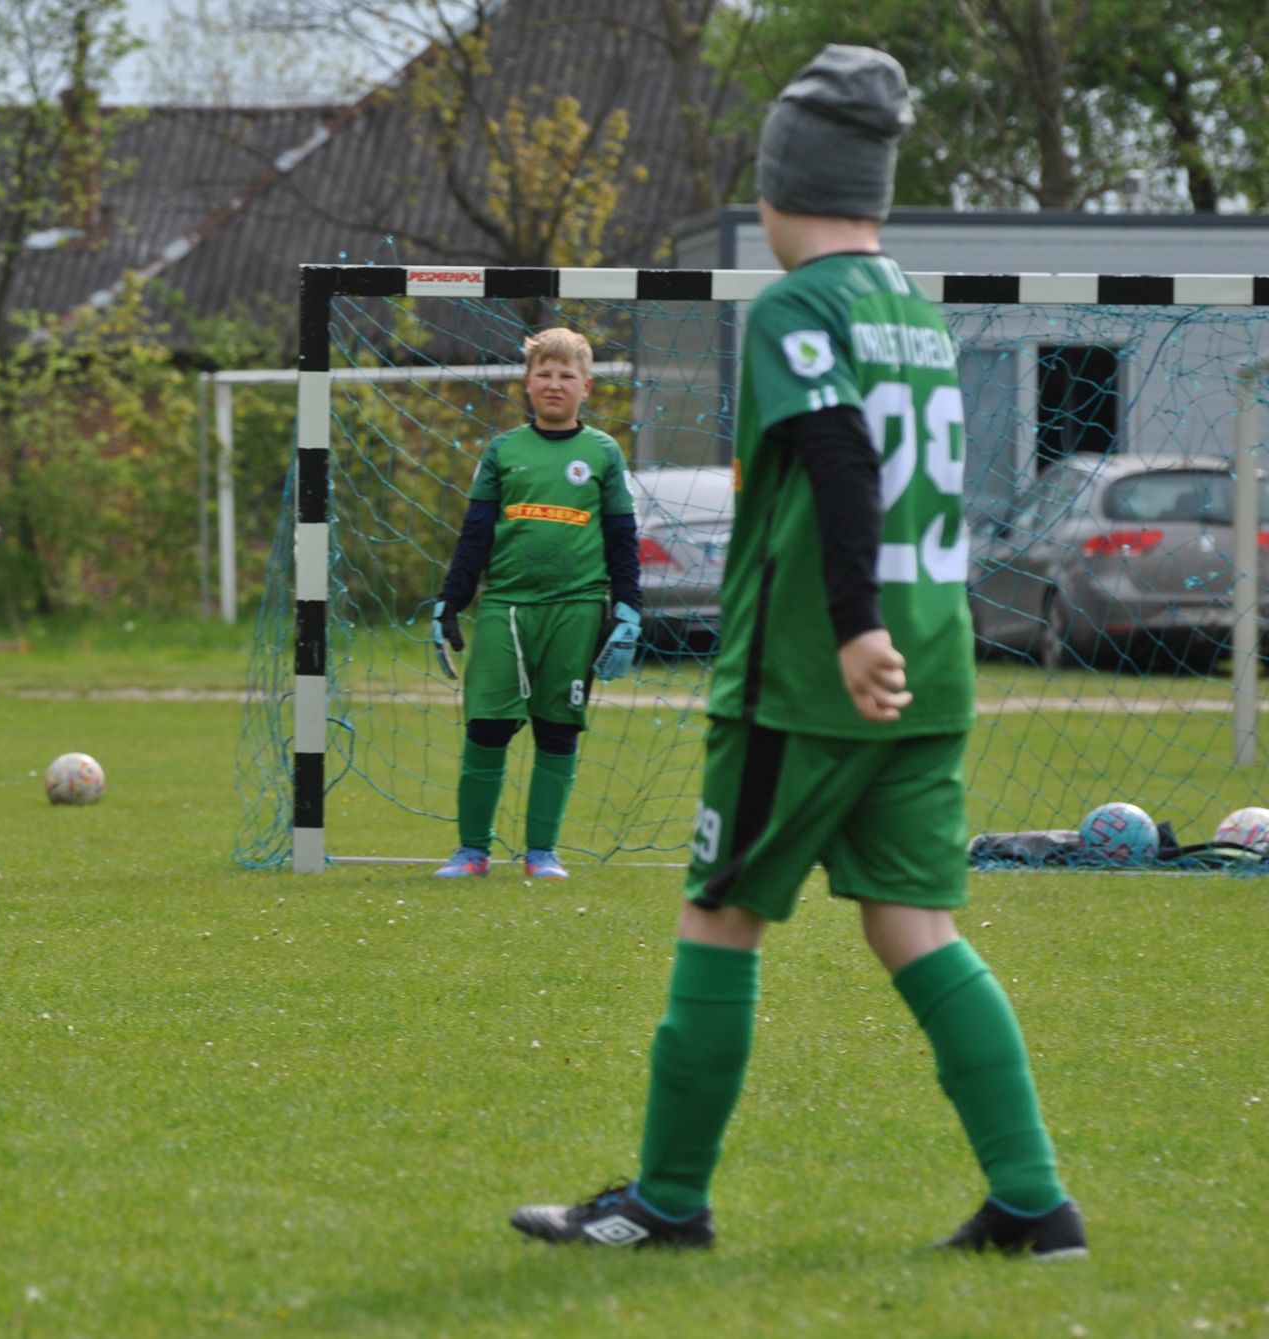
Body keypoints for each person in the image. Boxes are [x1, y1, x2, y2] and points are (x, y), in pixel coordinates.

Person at [508, 46, 1085, 1257]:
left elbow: (836, 460)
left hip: (810, 677)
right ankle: (1033, 1204)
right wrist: (884, 629)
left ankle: (666, 1202)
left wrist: (849, 623)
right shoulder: (915, 316)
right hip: (931, 668)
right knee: (911, 925)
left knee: (719, 916)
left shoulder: (796, 307)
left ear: (781, 187)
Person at [430, 326, 642, 879]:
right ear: (527, 383)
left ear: (587, 387)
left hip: (576, 608)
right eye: (544, 374)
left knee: (558, 728)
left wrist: (629, 609)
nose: (554, 384)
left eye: (566, 376)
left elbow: (622, 539)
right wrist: (450, 601)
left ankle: (541, 854)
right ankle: (471, 853)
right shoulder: (503, 451)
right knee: (487, 726)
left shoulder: (603, 453)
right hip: (506, 607)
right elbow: (475, 536)